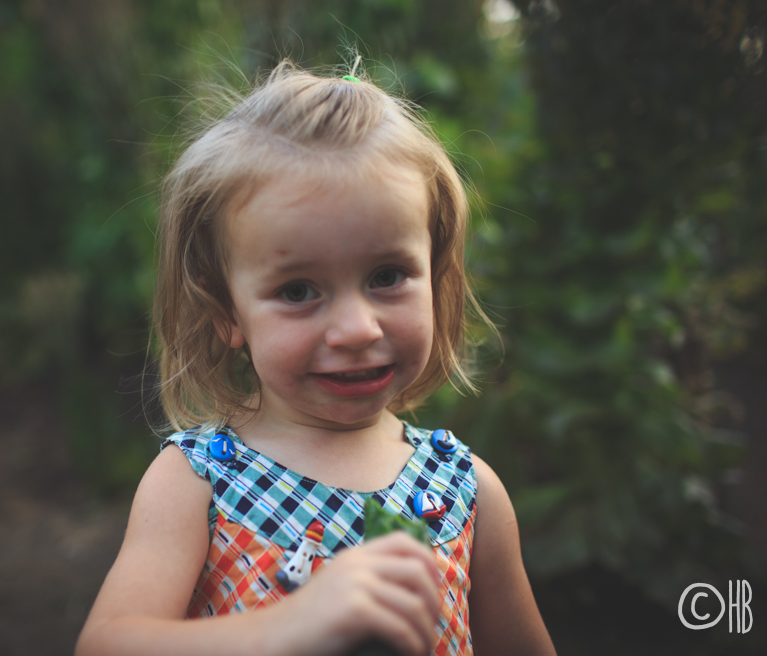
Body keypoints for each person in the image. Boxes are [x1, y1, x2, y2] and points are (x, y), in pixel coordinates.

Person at [76, 60, 556, 656]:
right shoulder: (199, 482)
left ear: (435, 275)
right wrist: (291, 625)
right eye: (299, 290)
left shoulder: (466, 492)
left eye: (387, 276)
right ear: (227, 313)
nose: (356, 329)